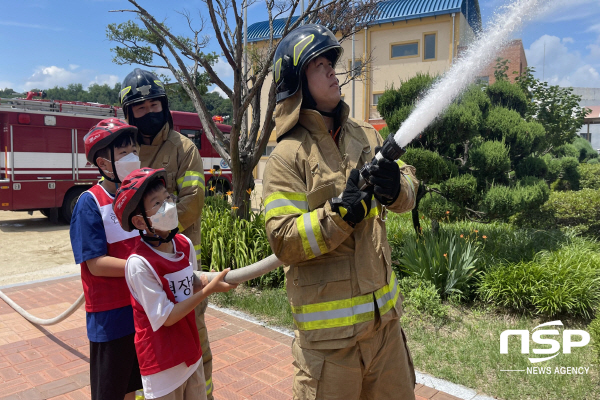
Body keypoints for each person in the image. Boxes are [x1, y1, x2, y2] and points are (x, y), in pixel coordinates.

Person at [263, 24, 418, 399]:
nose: (332, 70)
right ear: (297, 81)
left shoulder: (366, 134)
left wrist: (398, 187)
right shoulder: (286, 156)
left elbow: (411, 181)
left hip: (386, 334)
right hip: (329, 350)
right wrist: (339, 215)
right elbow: (283, 240)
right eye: (319, 65)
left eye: (330, 61)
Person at [119, 68, 215, 398]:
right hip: (141, 266)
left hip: (178, 259)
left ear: (164, 105)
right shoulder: (124, 153)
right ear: (129, 113)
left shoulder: (184, 149)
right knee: (149, 333)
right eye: (140, 108)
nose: (149, 113)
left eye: (154, 105)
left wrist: (157, 230)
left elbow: (193, 202)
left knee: (192, 328)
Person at [113, 168, 237, 399]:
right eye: (157, 203)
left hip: (191, 353)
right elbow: (167, 317)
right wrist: (209, 289)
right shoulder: (139, 264)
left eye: (168, 197)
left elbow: (188, 282)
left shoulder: (184, 244)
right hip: (162, 366)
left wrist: (213, 279)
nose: (168, 205)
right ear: (140, 221)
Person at [69, 118, 143, 400]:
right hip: (110, 319)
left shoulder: (135, 198)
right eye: (124, 154)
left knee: (131, 388)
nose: (133, 158)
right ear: (103, 163)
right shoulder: (90, 202)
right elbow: (94, 263)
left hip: (139, 308)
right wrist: (139, 268)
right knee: (111, 391)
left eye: (134, 150)